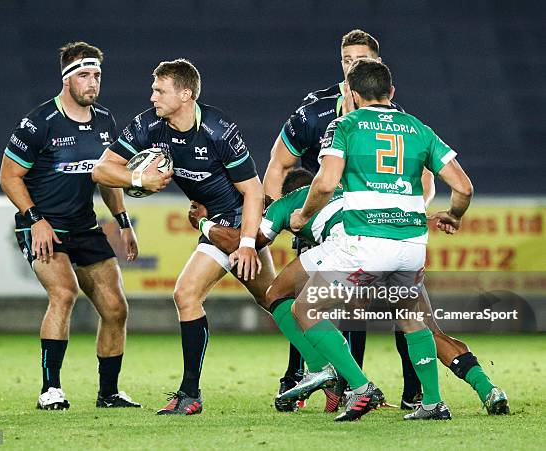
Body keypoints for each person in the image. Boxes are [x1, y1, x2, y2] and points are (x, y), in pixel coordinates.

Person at [191, 168, 508, 416]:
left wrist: (204, 224)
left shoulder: (288, 204)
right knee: (429, 331)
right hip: (392, 250)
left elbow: (241, 243)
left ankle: (325, 369)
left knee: (277, 294)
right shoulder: (351, 190)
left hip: (352, 254)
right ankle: (487, 390)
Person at [270, 58, 476, 422]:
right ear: (391, 93)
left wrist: (303, 215)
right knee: (411, 318)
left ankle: (361, 387)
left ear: (351, 92)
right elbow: (463, 187)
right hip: (412, 246)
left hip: (365, 243)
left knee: (306, 309)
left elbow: (326, 182)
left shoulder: (344, 125)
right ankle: (432, 402)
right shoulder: (417, 128)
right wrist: (454, 215)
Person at [92, 58, 275, 415]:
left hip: (238, 222)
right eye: (154, 89)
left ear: (186, 94)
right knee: (271, 300)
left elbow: (254, 192)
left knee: (258, 299)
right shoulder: (150, 125)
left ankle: (315, 374)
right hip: (212, 220)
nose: (153, 96)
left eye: (160, 90)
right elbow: (101, 169)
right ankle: (314, 373)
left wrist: (249, 243)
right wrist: (138, 180)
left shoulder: (219, 130)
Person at [263, 29, 431, 411]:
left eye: (360, 59)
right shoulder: (316, 109)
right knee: (306, 301)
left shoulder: (395, 118)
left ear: (376, 64)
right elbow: (279, 163)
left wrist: (406, 214)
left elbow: (424, 180)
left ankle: (394, 389)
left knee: (366, 309)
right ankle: (312, 376)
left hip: (372, 228)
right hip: (320, 222)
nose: (352, 65)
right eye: (346, 59)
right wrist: (283, 210)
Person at [0, 42, 142, 410]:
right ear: (66, 79)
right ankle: (51, 389)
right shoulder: (38, 123)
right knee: (63, 294)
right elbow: (9, 176)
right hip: (42, 225)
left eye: (96, 74)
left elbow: (108, 178)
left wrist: (123, 221)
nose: (92, 82)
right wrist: (36, 220)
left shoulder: (106, 122)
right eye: (84, 74)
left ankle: (108, 393)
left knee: (116, 308)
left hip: (84, 226)